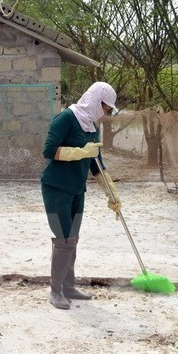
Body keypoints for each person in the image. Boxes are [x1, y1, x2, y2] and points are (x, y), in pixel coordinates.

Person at [40, 81, 122, 310]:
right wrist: (79, 152)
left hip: (77, 189)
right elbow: (48, 150)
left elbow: (96, 163)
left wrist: (112, 194)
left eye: (108, 109)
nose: (106, 112)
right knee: (63, 238)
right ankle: (55, 291)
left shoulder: (92, 127)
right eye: (105, 107)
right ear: (95, 100)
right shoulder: (66, 118)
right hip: (56, 187)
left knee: (73, 237)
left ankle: (68, 286)